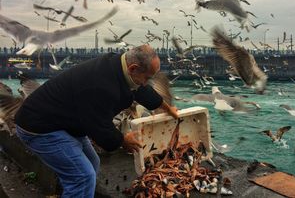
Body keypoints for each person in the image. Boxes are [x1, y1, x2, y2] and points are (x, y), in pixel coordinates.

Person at [15, 45, 178, 197]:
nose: (147, 82)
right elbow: (98, 126)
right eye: (147, 77)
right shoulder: (100, 85)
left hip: (65, 121)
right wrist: (122, 140)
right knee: (82, 177)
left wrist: (166, 107)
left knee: (92, 163)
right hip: (41, 127)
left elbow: (141, 90)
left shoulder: (119, 66)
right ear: (133, 68)